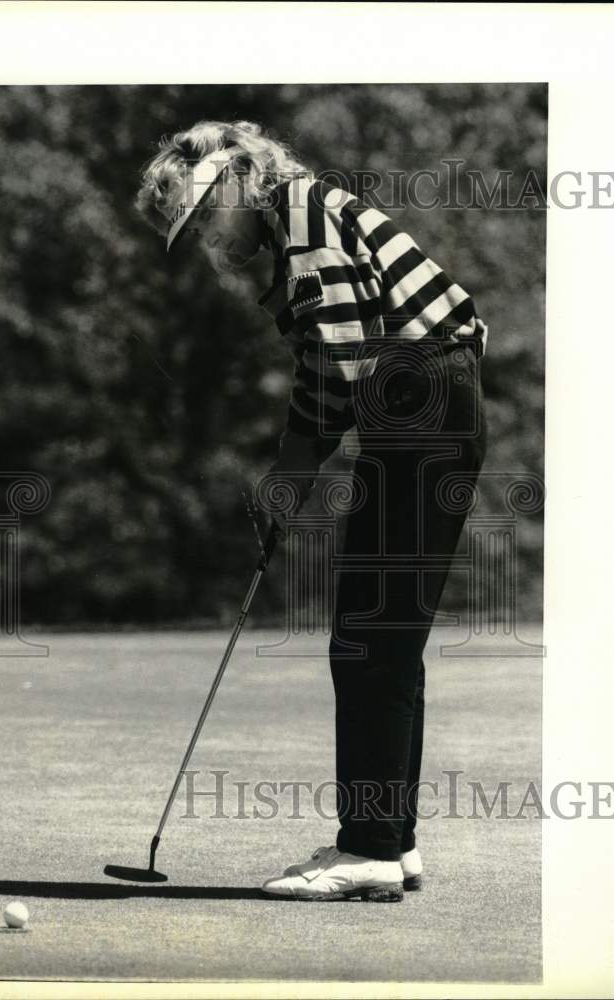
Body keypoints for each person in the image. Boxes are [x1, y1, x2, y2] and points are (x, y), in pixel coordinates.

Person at [135, 120, 488, 902]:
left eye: (203, 217)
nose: (207, 242)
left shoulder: (296, 208)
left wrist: (293, 470)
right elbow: (328, 361)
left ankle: (366, 847)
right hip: (422, 399)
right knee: (381, 637)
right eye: (188, 233)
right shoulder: (296, 228)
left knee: (369, 640)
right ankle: (389, 843)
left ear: (235, 179)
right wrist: (290, 474)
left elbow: (343, 354)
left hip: (418, 397)